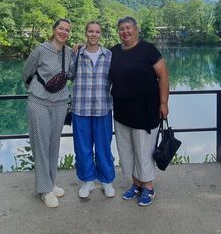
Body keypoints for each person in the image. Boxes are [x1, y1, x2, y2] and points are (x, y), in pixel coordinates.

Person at [109, 16, 170, 207]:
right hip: (121, 111)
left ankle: (148, 187)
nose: (125, 31)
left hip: (145, 110)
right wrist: (79, 48)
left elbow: (163, 76)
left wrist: (164, 103)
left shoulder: (148, 50)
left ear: (136, 30)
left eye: (128, 28)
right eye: (121, 28)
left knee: (144, 150)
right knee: (126, 149)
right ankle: (136, 184)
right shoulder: (113, 52)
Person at [22, 18, 75, 208]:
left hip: (60, 103)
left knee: (53, 144)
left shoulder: (69, 52)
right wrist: (37, 89)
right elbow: (26, 73)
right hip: (39, 102)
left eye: (67, 30)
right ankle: (44, 190)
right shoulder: (41, 50)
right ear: (54, 29)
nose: (63, 32)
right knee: (41, 145)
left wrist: (78, 54)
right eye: (61, 28)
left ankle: (51, 183)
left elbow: (71, 75)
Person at [71, 21, 115, 198]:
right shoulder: (77, 54)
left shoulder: (109, 55)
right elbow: (68, 75)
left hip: (103, 108)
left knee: (104, 146)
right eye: (91, 31)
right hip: (80, 108)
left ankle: (106, 180)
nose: (94, 34)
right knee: (83, 147)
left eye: (97, 32)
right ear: (86, 33)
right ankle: (88, 181)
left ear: (100, 34)